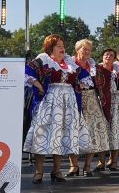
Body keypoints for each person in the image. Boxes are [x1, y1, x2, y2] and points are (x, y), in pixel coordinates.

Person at [23, 34, 90, 183]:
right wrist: (39, 85)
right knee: (42, 133)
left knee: (60, 134)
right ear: (50, 48)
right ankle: (39, 172)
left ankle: (57, 171)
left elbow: (85, 77)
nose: (62, 49)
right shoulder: (43, 60)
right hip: (49, 101)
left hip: (68, 103)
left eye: (63, 46)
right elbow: (27, 72)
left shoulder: (70, 62)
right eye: (58, 46)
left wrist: (78, 86)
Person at [71, 39, 111, 177]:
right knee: (74, 131)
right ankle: (74, 166)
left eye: (89, 49)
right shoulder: (70, 64)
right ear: (77, 50)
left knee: (94, 131)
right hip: (74, 98)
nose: (87, 52)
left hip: (92, 100)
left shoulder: (94, 66)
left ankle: (87, 165)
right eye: (85, 49)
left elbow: (103, 81)